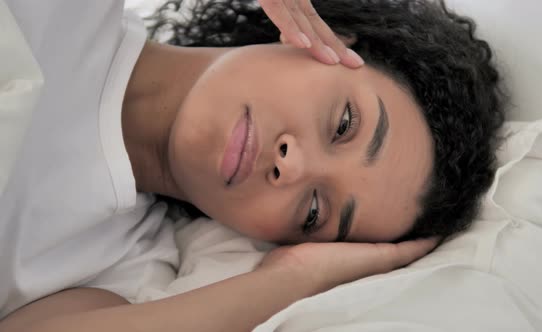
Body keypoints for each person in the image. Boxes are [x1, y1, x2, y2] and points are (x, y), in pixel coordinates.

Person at [0, 0, 505, 331]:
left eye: (313, 213)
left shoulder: (120, 270)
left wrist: (293, 281)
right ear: (330, 39)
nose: (295, 165)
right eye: (344, 124)